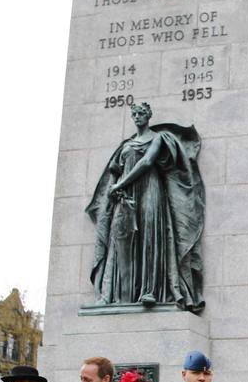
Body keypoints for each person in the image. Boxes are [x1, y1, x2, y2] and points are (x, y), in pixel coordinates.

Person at [86, 101, 205, 311]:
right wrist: (115, 188)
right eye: (135, 114)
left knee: (150, 237)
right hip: (127, 196)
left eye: (141, 113)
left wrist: (121, 183)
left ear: (148, 116)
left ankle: (149, 290)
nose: (138, 117)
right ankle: (111, 293)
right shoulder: (126, 146)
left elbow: (147, 162)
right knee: (119, 239)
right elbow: (115, 169)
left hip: (150, 191)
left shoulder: (157, 138)